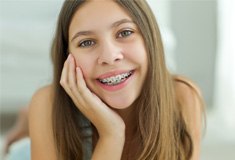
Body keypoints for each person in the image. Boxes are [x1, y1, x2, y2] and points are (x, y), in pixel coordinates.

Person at [29, 0, 204, 160]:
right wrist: (111, 135)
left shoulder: (183, 98)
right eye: (86, 42)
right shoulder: (47, 104)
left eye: (125, 32)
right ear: (67, 56)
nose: (109, 57)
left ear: (149, 37)